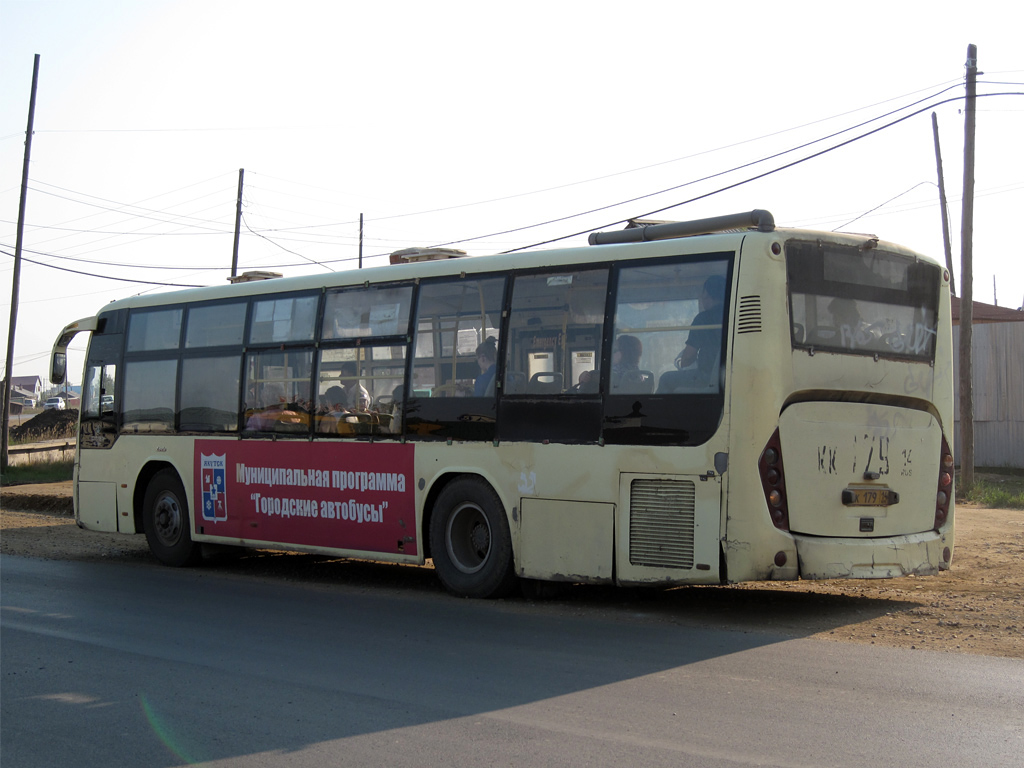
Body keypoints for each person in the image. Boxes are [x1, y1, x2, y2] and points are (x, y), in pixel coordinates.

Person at [674, 274, 725, 378]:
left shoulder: (703, 319)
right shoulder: (734, 315)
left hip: (707, 377)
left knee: (666, 379)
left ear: (706, 294)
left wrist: (683, 364)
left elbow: (688, 357)